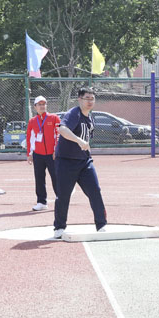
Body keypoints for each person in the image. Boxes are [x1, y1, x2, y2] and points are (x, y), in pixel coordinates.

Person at [53, 87, 107, 238]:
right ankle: (59, 227)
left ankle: (101, 224)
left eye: (92, 98)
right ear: (79, 99)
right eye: (86, 98)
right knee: (63, 195)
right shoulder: (74, 113)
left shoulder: (91, 118)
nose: (90, 101)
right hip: (66, 161)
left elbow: (87, 138)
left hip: (84, 162)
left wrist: (85, 145)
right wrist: (79, 140)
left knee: (95, 191)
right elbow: (62, 129)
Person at [26, 95, 60, 211]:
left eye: (44, 104)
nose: (42, 106)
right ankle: (41, 202)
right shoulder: (32, 121)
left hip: (52, 154)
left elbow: (58, 135)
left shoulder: (54, 118)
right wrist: (30, 154)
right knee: (39, 178)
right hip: (38, 154)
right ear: (35, 107)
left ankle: (61, 200)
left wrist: (56, 150)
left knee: (56, 177)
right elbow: (30, 138)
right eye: (39, 104)